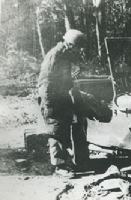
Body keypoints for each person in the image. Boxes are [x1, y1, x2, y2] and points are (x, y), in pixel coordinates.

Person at [38, 29, 87, 178]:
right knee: (57, 128)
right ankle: (59, 167)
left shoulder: (65, 54)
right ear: (71, 45)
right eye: (78, 48)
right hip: (51, 96)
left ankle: (68, 161)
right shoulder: (55, 55)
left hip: (61, 95)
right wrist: (48, 104)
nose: (79, 51)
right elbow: (46, 81)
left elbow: (64, 78)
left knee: (66, 126)